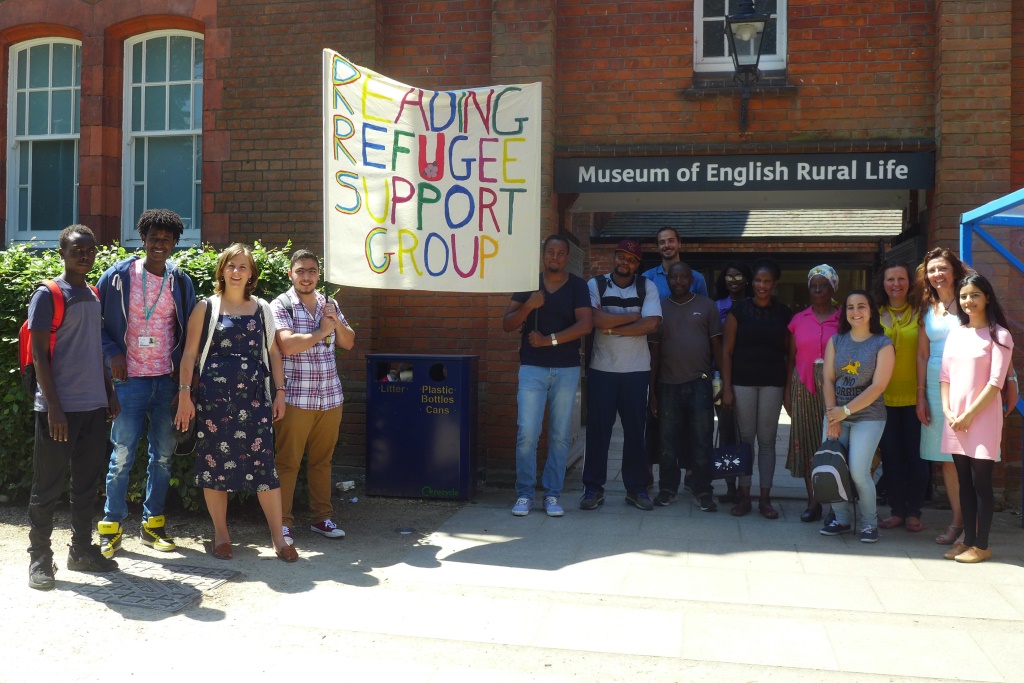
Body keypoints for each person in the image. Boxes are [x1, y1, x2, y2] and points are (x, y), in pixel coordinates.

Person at [174, 244, 296, 562]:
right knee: (215, 465)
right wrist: (185, 394)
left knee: (264, 467)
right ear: (222, 270)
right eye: (231, 266)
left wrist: (280, 392)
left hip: (254, 401)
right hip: (214, 402)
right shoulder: (206, 307)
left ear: (251, 273)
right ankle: (221, 535)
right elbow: (189, 354)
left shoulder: (262, 310)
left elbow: (272, 353)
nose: (237, 272)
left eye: (243, 267)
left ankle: (278, 538)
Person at [97, 208, 197, 558]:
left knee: (163, 457)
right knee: (122, 456)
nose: (159, 244)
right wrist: (113, 353)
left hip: (167, 383)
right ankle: (111, 527)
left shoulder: (180, 281)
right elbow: (94, 322)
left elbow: (190, 336)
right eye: (153, 238)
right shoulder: (116, 277)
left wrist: (186, 382)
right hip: (129, 382)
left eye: (166, 240)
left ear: (174, 244)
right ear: (143, 239)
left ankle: (153, 525)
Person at [26, 226, 121, 590]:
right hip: (59, 409)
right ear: (63, 252)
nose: (85, 255)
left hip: (94, 406)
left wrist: (109, 391)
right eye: (78, 249)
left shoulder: (93, 294)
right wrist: (53, 407)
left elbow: (95, 348)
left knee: (86, 484)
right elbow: (38, 355)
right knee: (46, 486)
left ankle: (81, 551)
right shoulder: (48, 294)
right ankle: (39, 557)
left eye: (90, 250)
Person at [503, 234, 593, 517]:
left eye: (560, 253)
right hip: (532, 368)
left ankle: (553, 494)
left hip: (566, 369)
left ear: (567, 257)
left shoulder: (577, 286)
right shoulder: (529, 284)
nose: (555, 257)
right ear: (543, 255)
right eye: (550, 252)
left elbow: (586, 325)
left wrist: (550, 340)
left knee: (559, 436)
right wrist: (529, 305)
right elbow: (507, 324)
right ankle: (525, 494)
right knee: (527, 433)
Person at [272, 250, 355, 544]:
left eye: (312, 271)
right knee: (287, 463)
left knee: (323, 461)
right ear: (290, 274)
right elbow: (287, 345)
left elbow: (348, 342)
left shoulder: (327, 303)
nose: (306, 276)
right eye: (301, 271)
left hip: (330, 397)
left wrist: (335, 320)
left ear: (318, 275)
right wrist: (322, 331)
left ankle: (322, 518)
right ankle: (281, 524)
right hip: (296, 398)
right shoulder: (280, 305)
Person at [582, 239, 662, 511]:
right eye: (621, 257)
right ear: (614, 257)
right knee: (597, 432)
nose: (624, 263)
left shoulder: (646, 286)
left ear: (637, 264)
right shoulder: (596, 285)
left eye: (631, 259)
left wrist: (612, 326)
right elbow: (593, 319)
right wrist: (631, 318)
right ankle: (592, 489)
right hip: (602, 369)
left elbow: (651, 324)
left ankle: (636, 489)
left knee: (635, 434)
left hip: (636, 370)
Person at [940, 274, 1015, 563]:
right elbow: (944, 376)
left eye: (974, 295)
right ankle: (967, 540)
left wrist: (969, 414)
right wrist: (948, 411)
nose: (968, 301)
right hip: (956, 416)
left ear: (986, 297)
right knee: (964, 481)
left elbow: (996, 382)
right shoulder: (956, 333)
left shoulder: (1000, 335)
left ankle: (982, 545)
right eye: (963, 296)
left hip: (981, 417)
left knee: (981, 482)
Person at [820, 290, 895, 543]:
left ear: (871, 310)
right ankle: (840, 519)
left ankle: (869, 524)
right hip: (836, 415)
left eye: (861, 306)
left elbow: (878, 387)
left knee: (858, 471)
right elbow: (828, 380)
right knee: (832, 466)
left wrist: (846, 411)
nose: (856, 312)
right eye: (850, 307)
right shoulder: (836, 341)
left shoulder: (882, 344)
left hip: (869, 416)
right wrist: (833, 417)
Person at [649, 262, 723, 511]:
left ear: (691, 279)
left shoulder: (707, 306)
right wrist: (652, 392)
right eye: (673, 277)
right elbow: (655, 353)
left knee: (701, 441)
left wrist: (722, 381)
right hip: (667, 385)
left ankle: (703, 490)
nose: (678, 281)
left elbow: (717, 350)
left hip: (699, 385)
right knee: (667, 443)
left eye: (683, 277)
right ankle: (667, 488)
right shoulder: (658, 308)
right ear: (667, 280)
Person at [721, 259, 791, 518]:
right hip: (742, 382)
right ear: (753, 283)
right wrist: (727, 388)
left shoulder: (784, 313)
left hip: (773, 381)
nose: (762, 285)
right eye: (758, 281)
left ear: (774, 284)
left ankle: (765, 498)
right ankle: (744, 496)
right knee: (745, 440)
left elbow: (789, 352)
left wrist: (787, 389)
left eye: (767, 281)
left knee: (768, 441)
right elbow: (726, 352)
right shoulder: (738, 311)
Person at [641, 226, 709, 489]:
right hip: (653, 357)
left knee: (690, 421)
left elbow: (702, 316)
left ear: (679, 243)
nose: (667, 245)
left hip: (688, 362)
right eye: (662, 242)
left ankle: (692, 471)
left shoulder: (698, 279)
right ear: (657, 247)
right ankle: (647, 471)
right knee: (654, 417)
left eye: (671, 241)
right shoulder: (647, 278)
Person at [916, 247, 970, 545]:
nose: (937, 274)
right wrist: (921, 395)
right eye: (932, 270)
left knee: (969, 456)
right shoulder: (928, 307)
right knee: (947, 460)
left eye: (942, 268)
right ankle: (957, 522)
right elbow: (922, 356)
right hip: (936, 387)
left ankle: (973, 523)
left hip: (967, 383)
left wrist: (961, 265)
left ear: (954, 271)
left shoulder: (968, 299)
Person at [784, 265, 840, 523]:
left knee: (832, 445)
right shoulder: (798, 319)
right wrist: (787, 391)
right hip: (803, 386)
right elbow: (791, 358)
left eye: (823, 285)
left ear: (832, 288)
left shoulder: (843, 320)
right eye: (813, 285)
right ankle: (813, 501)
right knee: (807, 443)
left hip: (834, 389)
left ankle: (835, 506)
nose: (817, 290)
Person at [875, 261, 926, 532]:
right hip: (883, 398)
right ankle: (896, 511)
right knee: (891, 456)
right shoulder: (874, 314)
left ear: (910, 283)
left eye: (901, 279)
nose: (896, 284)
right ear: (882, 284)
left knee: (917, 457)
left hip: (917, 396)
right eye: (890, 279)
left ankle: (914, 511)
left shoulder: (922, 313)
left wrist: (922, 394)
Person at [713, 262, 753, 504]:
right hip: (722, 377)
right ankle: (730, 486)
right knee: (727, 432)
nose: (734, 280)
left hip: (749, 374)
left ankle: (744, 486)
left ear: (747, 279)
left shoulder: (755, 304)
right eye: (729, 276)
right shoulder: (716, 306)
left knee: (746, 435)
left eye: (739, 275)